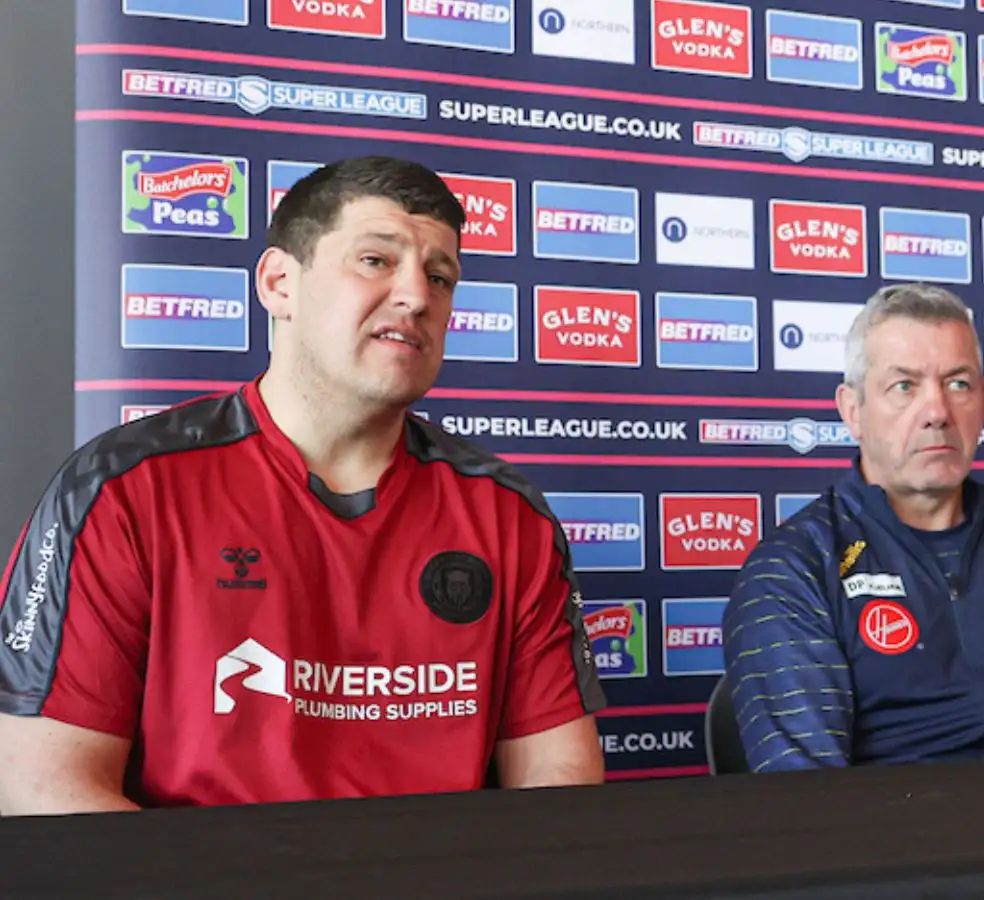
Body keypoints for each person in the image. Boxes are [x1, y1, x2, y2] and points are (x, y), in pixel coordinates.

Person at [0, 156, 607, 814]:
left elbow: (560, 777)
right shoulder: (122, 491)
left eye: (441, 277)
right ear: (279, 282)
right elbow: (43, 788)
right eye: (376, 260)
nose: (416, 296)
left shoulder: (507, 514)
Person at [721, 283, 984, 772]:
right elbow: (809, 808)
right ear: (853, 411)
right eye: (904, 386)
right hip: (879, 844)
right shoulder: (794, 570)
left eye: (958, 384)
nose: (937, 413)